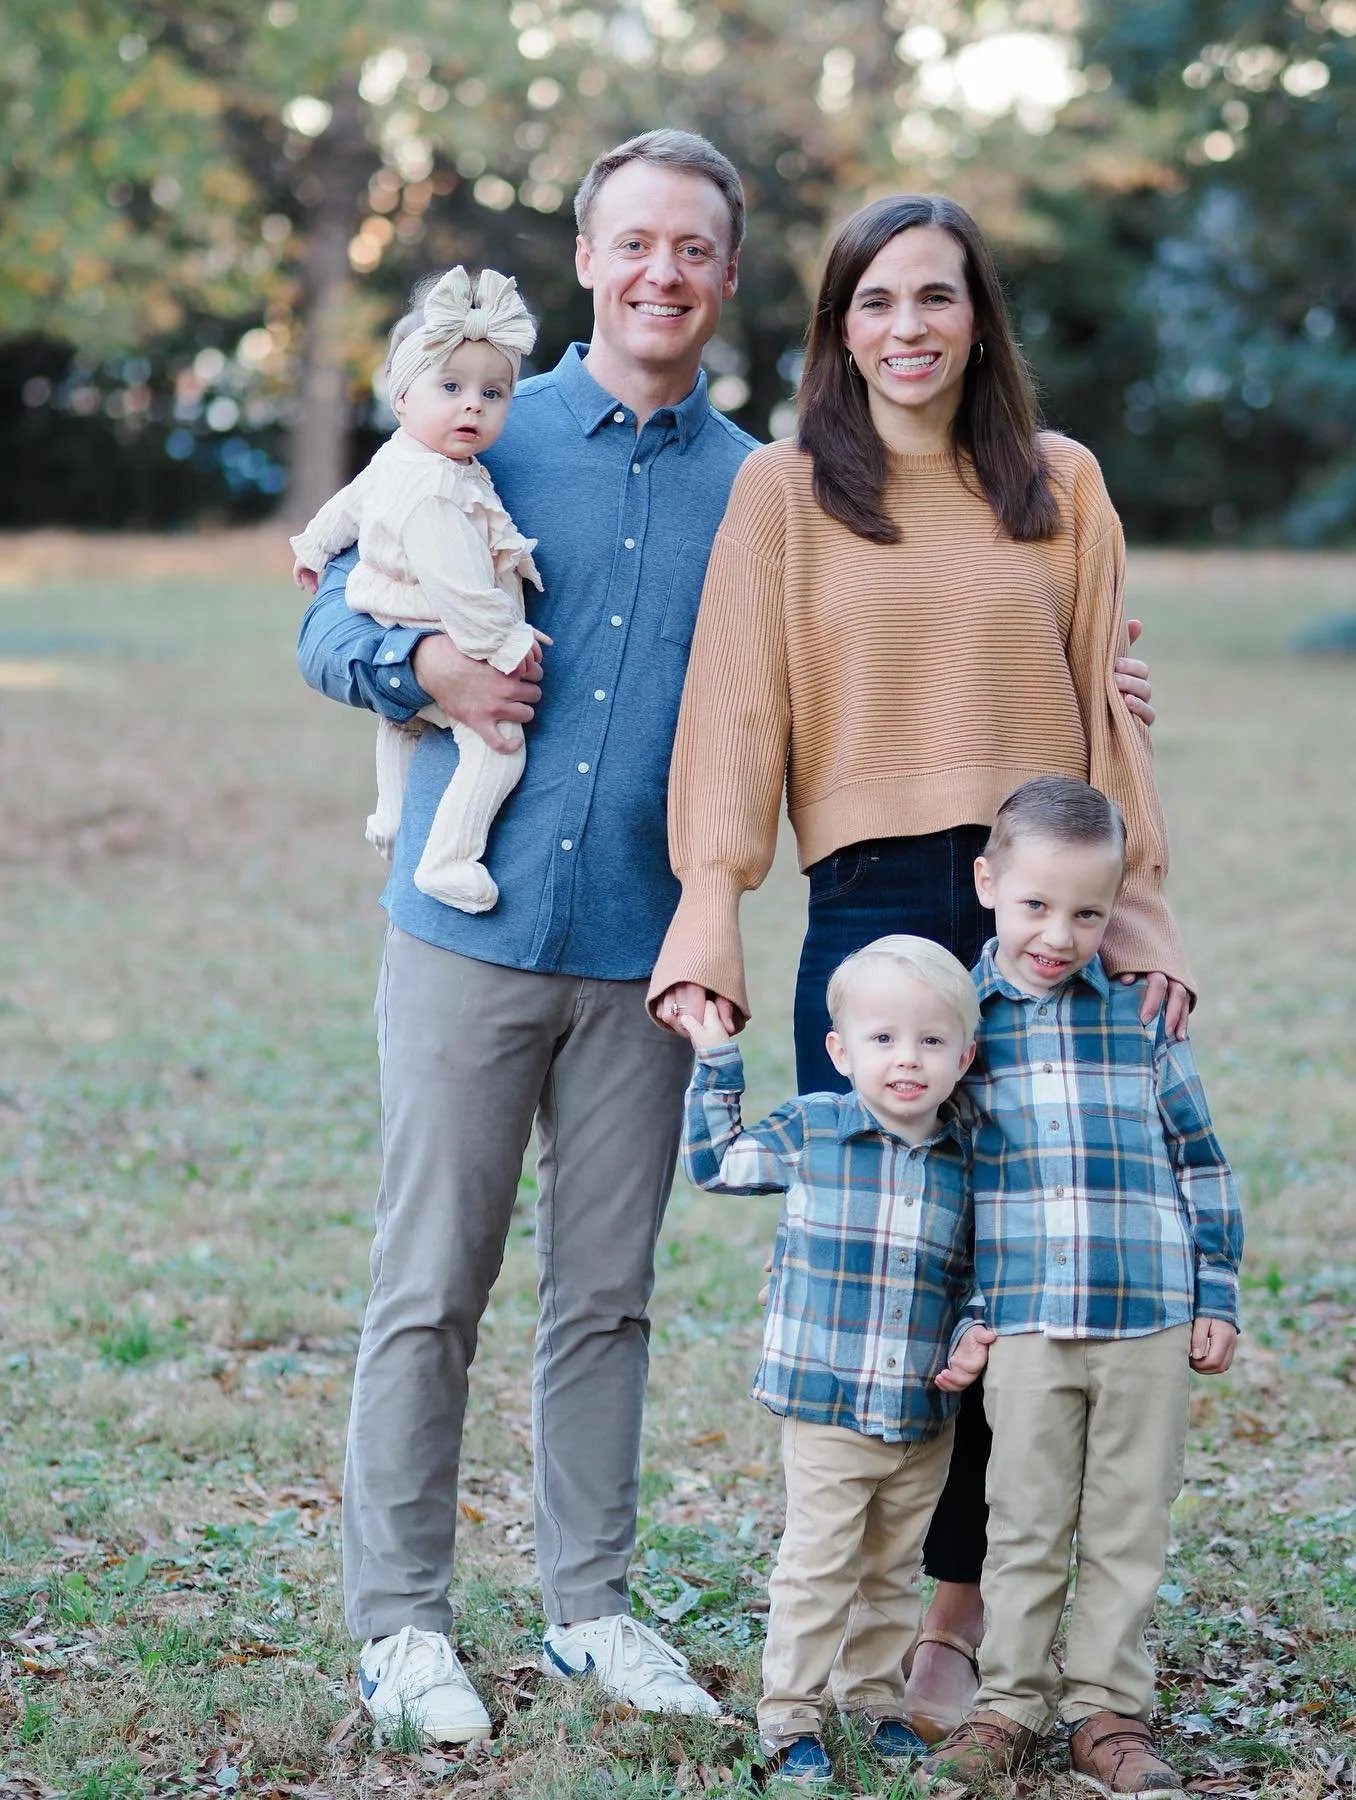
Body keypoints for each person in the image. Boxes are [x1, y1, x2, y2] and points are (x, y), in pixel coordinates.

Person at [649, 192, 1189, 1741]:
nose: (908, 328)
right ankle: (853, 1596)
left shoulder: (1062, 484)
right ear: (837, 327)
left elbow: (1107, 718)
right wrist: (710, 903)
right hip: (870, 901)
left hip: (1034, 916)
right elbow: (740, 712)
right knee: (894, 1273)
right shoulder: (787, 490)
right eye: (875, 301)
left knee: (1012, 1281)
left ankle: (960, 1624)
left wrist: (1140, 916)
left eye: (937, 298)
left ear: (979, 318)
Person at [296, 129, 758, 1744]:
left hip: (647, 953)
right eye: (634, 242)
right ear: (588, 258)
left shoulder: (756, 488)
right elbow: (319, 617)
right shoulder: (481, 419)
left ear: (724, 273)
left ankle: (592, 1606)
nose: (661, 273)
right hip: (462, 933)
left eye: (692, 248)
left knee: (609, 1297)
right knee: (430, 1284)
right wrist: (417, 674)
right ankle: (401, 1622)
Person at [920, 777, 1242, 1794]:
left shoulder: (1142, 1016)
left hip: (1146, 1318)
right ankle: (1008, 1704)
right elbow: (953, 1198)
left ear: (1116, 909)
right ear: (987, 884)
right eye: (1035, 905)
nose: (1060, 933)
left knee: (1128, 1520)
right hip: (1024, 1325)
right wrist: (969, 1321)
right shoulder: (959, 1029)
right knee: (1020, 1521)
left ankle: (1107, 1711)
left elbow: (1202, 1160)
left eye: (1089, 912)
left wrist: (1216, 1291)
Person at [680, 936, 994, 1785]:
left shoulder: (968, 1157)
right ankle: (789, 1715)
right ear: (841, 1050)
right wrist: (717, 1060)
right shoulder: (814, 1129)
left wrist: (976, 1331)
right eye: (884, 1039)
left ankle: (873, 1699)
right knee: (819, 1566)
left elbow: (982, 1269)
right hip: (826, 1404)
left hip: (922, 1410)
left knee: (893, 1569)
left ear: (964, 1055)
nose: (907, 1060)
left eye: (932, 1042)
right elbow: (717, 1165)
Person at [291, 266, 544, 913]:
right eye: (452, 387)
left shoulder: (402, 455)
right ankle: (448, 857)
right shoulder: (438, 491)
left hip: (390, 607)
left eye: (493, 394)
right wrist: (506, 638)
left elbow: (345, 506)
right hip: (437, 617)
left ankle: (393, 817)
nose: (473, 405)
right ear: (403, 397)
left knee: (400, 722)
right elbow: (463, 587)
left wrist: (313, 549)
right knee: (498, 748)